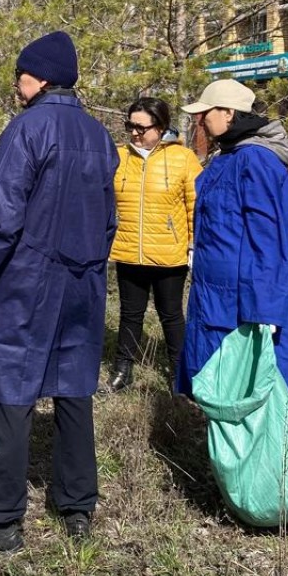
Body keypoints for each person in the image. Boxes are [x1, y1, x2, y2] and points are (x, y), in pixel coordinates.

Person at [0, 31, 118, 551]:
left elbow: (1, 222)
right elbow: (109, 221)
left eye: (20, 75)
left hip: (25, 284)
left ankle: (1, 523)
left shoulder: (26, 130)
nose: (16, 84)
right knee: (74, 393)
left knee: (9, 396)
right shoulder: (100, 135)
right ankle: (77, 509)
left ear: (39, 79)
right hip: (84, 283)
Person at [176, 78, 288, 408]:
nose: (200, 121)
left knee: (249, 396)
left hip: (241, 308)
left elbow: (268, 241)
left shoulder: (255, 161)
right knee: (221, 393)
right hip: (218, 301)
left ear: (229, 113)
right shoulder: (228, 156)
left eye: (205, 113)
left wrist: (264, 312)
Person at [107, 96, 201, 392]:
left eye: (141, 127)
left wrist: (193, 244)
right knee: (130, 314)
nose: (134, 133)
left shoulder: (183, 158)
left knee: (171, 315)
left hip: (169, 253)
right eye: (130, 126)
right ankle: (123, 370)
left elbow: (195, 205)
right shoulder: (118, 157)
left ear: (160, 127)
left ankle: (179, 373)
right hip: (129, 250)